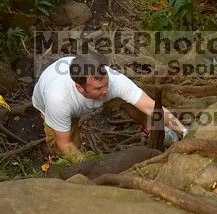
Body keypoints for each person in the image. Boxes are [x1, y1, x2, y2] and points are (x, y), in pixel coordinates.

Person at [32, 53, 186, 161]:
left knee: (136, 104)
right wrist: (91, 167)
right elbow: (64, 143)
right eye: (98, 89)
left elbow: (151, 106)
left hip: (80, 96)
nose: (105, 91)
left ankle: (153, 129)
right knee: (67, 148)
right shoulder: (57, 100)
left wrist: (184, 131)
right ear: (80, 88)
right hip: (56, 107)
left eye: (105, 84)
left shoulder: (114, 81)